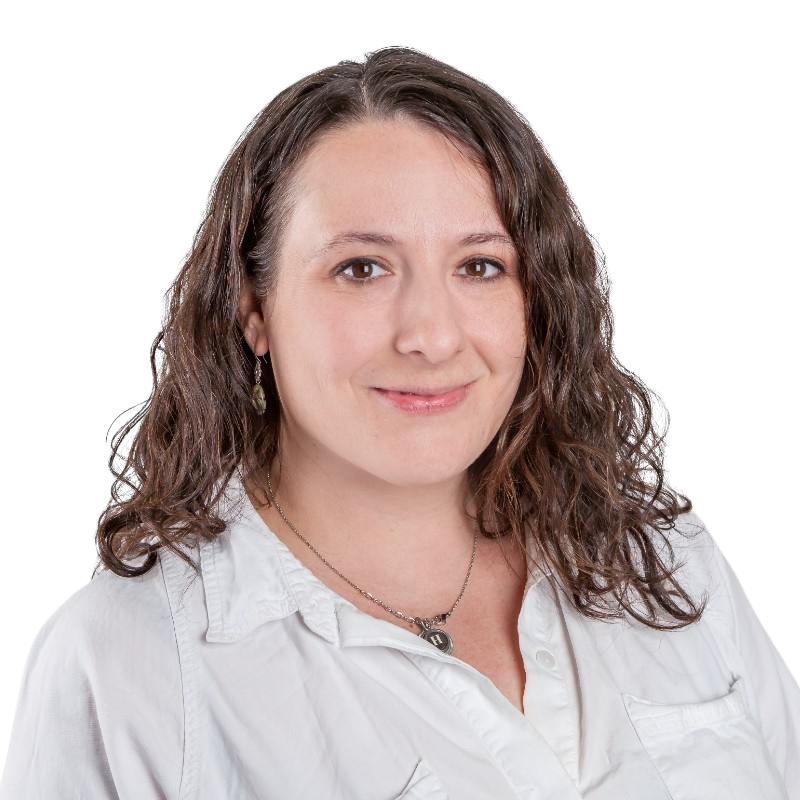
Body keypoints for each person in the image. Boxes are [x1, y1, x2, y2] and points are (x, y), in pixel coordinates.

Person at [2, 46, 798, 800]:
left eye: (480, 266)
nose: (431, 335)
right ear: (253, 310)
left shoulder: (667, 561)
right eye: (361, 268)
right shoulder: (123, 663)